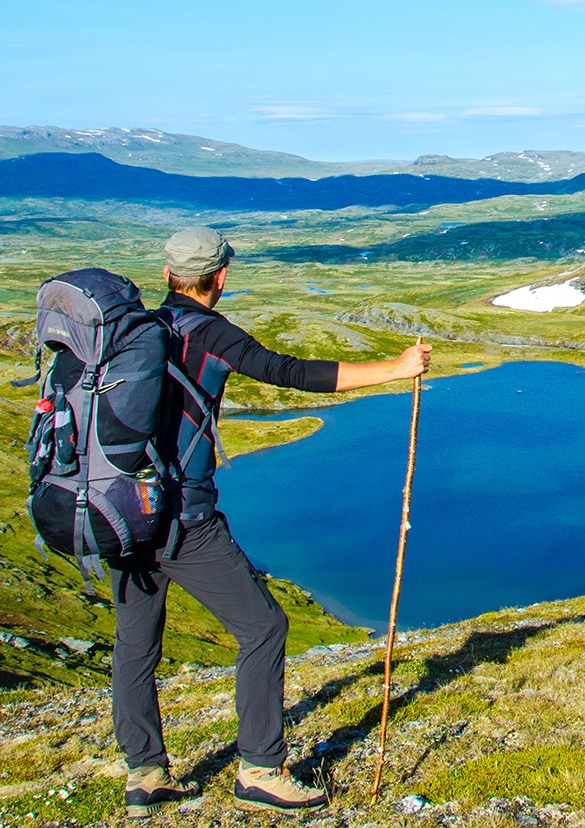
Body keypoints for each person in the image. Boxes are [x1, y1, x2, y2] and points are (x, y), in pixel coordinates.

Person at [112, 227, 431, 819]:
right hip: (183, 517)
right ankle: (260, 769)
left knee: (136, 643)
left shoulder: (136, 331)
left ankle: (144, 774)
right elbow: (289, 372)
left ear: (168, 276)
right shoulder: (208, 332)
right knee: (263, 627)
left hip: (120, 514)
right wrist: (395, 367)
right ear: (221, 276)